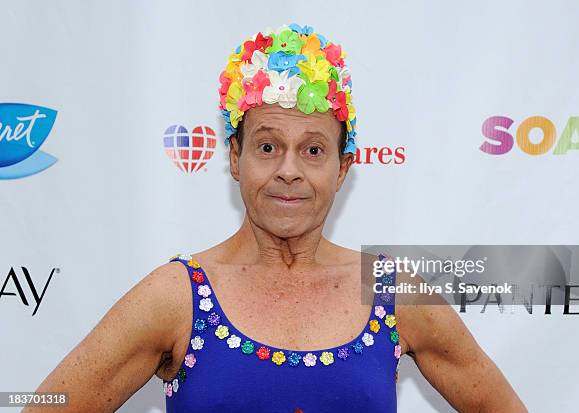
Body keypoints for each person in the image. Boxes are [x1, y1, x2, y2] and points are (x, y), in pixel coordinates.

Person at [25, 23, 527, 412]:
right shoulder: (173, 296)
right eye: (267, 146)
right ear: (234, 157)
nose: (289, 171)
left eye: (313, 150)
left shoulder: (395, 293)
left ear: (343, 166)